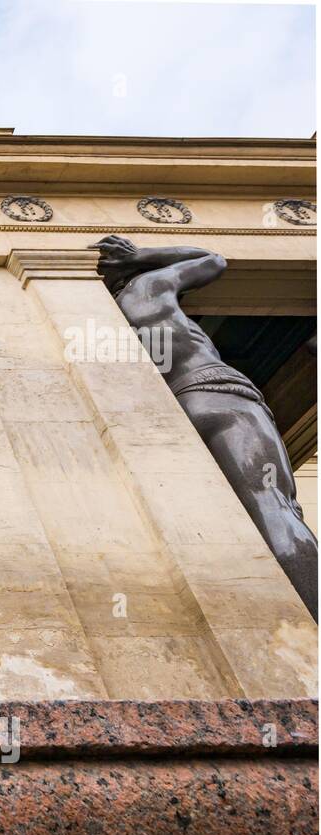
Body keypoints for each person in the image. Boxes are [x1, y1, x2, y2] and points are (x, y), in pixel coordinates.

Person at [92, 235, 317, 619]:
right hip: (220, 394)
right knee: (276, 505)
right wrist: (142, 255)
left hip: (175, 408)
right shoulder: (149, 286)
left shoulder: (100, 313)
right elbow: (213, 259)